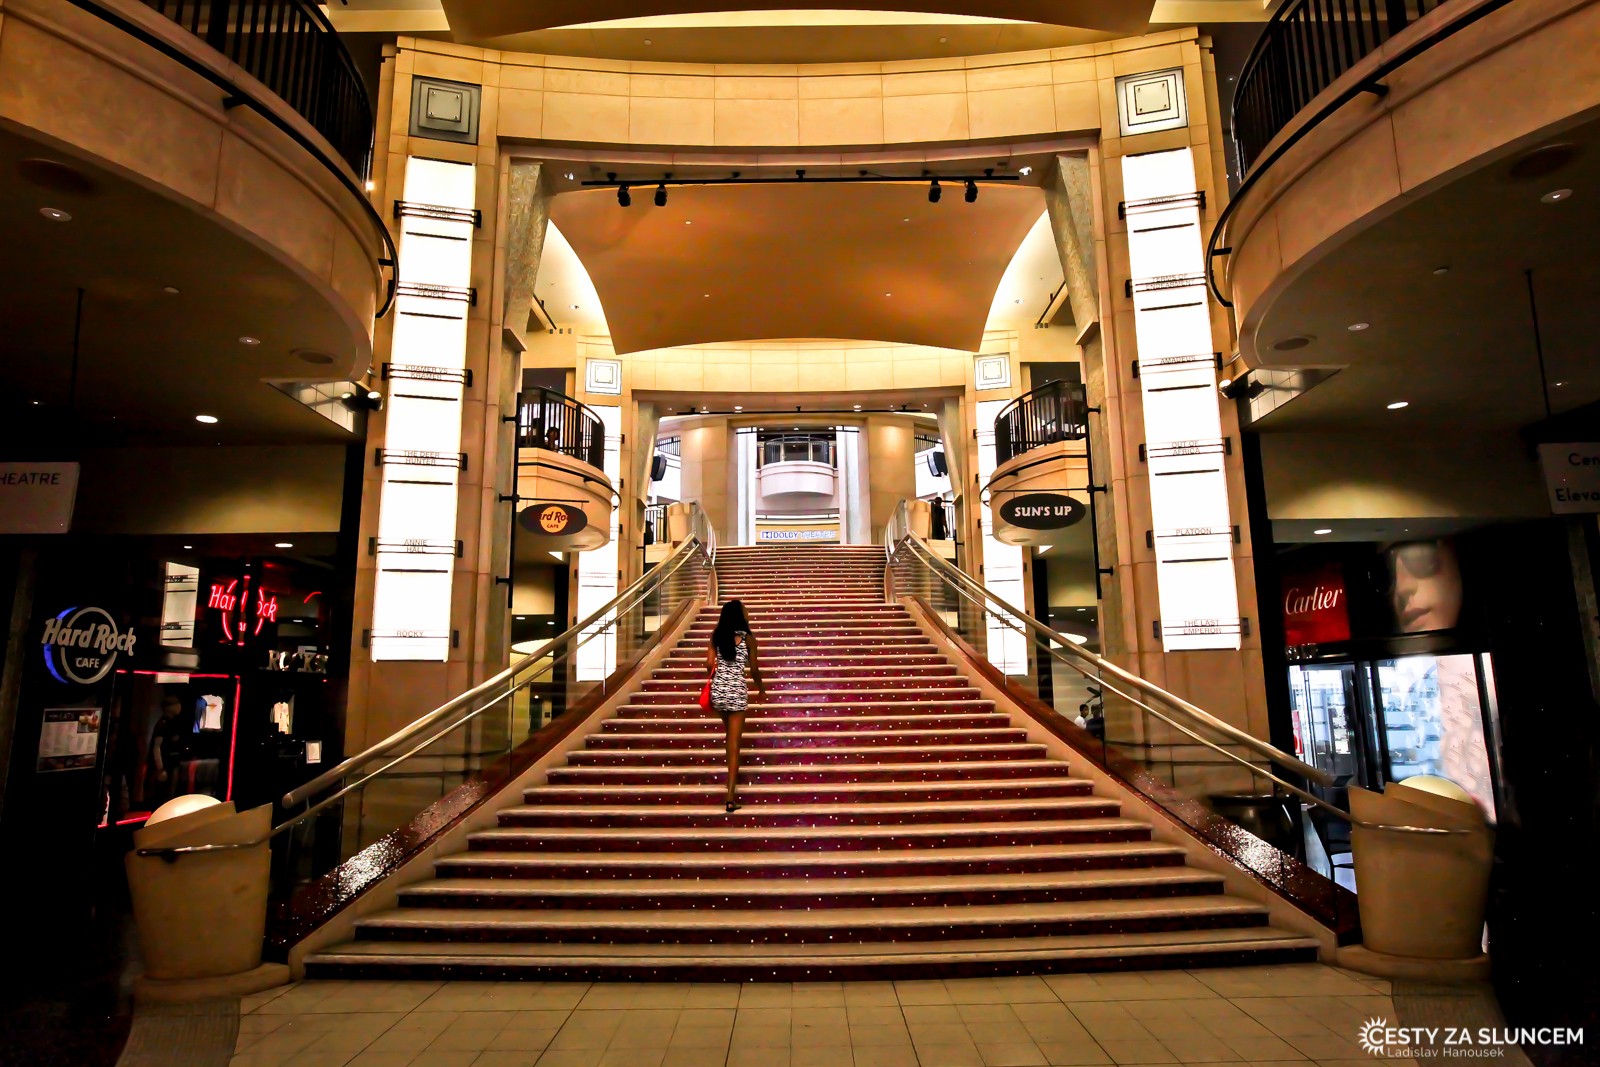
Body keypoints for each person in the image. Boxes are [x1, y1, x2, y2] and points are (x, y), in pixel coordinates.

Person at [705, 599, 767, 813]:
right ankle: (730, 797)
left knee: (728, 737)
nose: (747, 613)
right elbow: (755, 669)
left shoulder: (716, 636)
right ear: (739, 615)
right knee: (734, 745)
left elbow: (708, 664)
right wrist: (761, 689)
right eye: (745, 611)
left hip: (718, 692)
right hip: (737, 694)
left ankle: (729, 781)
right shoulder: (748, 639)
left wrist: (719, 678)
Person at [145, 696, 190, 804]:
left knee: (171, 794)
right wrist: (160, 768)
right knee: (162, 795)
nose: (179, 707)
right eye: (176, 704)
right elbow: (156, 747)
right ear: (168, 707)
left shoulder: (173, 723)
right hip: (165, 765)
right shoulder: (162, 724)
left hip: (173, 763)